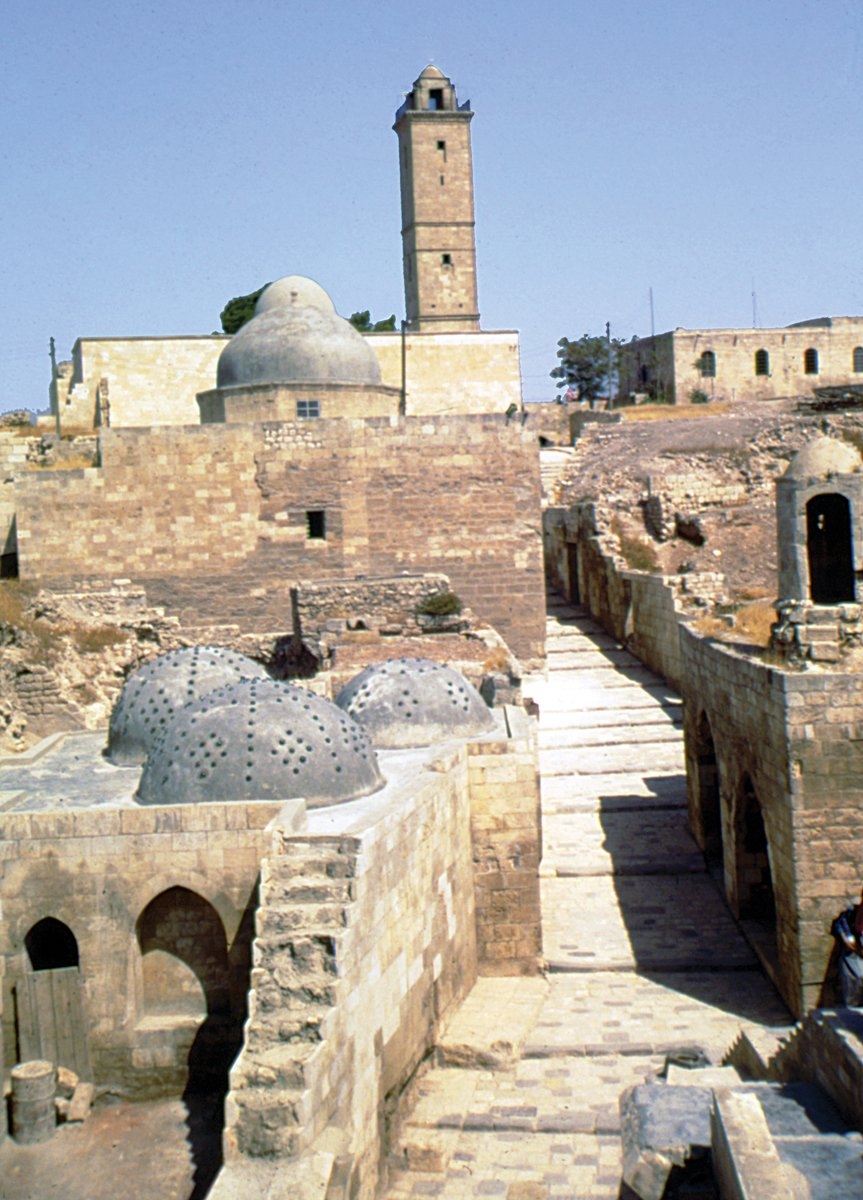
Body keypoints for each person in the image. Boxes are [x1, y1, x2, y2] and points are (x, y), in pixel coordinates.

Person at [831, 888, 863, 1006]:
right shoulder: (852, 914)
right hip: (854, 954)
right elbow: (839, 926)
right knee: (857, 976)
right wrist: (846, 938)